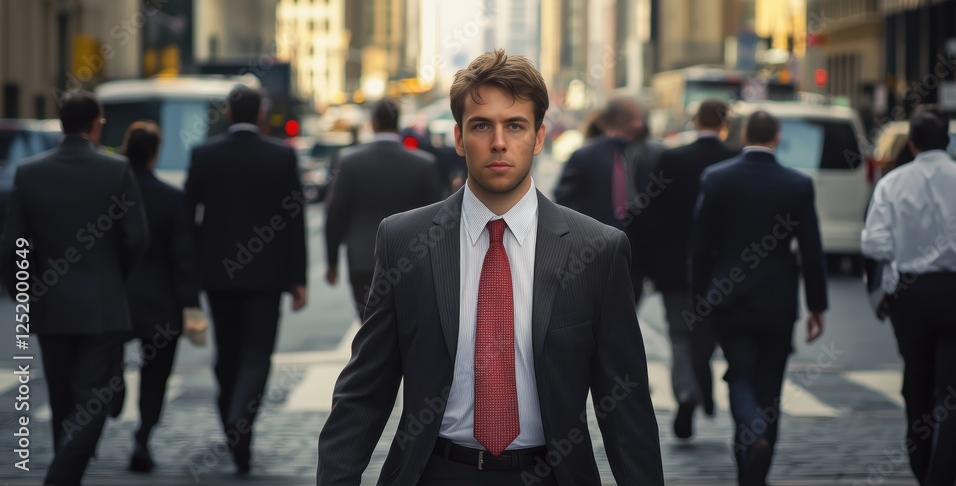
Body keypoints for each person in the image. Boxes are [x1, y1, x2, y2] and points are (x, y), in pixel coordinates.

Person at [317, 49, 662, 485]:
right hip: (436, 473)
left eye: (515, 125)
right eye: (482, 126)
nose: (499, 142)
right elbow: (365, 392)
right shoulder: (404, 240)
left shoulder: (598, 249)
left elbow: (625, 407)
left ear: (538, 138)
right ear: (460, 138)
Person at [0, 91, 150, 486]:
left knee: (64, 398)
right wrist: (115, 276)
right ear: (95, 124)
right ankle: (62, 478)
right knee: (92, 401)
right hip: (102, 304)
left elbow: (13, 243)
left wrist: (23, 291)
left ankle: (65, 473)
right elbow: (137, 237)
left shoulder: (29, 172)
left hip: (50, 303)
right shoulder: (115, 169)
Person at [862, 108, 956, 486]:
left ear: (911, 142)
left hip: (911, 293)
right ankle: (941, 477)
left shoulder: (892, 184)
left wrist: (879, 296)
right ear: (948, 139)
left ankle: (923, 469)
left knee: (917, 387)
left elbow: (874, 244)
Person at [691, 110, 827, 486]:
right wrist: (817, 305)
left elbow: (700, 247)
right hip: (778, 301)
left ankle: (751, 437)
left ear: (745, 133)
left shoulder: (717, 179)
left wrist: (698, 297)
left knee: (740, 377)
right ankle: (758, 466)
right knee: (771, 383)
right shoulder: (797, 183)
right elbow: (812, 251)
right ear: (777, 137)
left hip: (729, 298)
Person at [184, 86, 308, 476]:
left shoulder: (204, 155)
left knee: (227, 357)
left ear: (227, 112)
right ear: (261, 114)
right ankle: (241, 424)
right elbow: (294, 222)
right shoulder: (281, 156)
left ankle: (236, 433)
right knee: (256, 357)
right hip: (267, 277)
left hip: (218, 275)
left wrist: (191, 272)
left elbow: (187, 219)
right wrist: (298, 279)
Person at [118, 120, 200, 472]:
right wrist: (191, 303)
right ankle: (143, 436)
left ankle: (113, 389)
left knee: (106, 357)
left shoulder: (111, 197)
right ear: (154, 154)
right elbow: (184, 257)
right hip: (161, 302)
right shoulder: (172, 198)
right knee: (156, 377)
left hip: (116, 299)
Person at [658, 98, 740, 439]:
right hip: (725, 272)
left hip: (678, 271)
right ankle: (716, 394)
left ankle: (688, 393)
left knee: (681, 337)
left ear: (695, 120)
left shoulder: (672, 158)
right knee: (722, 337)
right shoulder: (734, 160)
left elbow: (652, 216)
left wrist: (653, 266)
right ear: (725, 124)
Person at [324, 98, 442, 319]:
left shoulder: (348, 161)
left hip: (363, 260)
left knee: (370, 328)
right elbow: (438, 218)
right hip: (411, 259)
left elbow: (335, 213)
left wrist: (331, 263)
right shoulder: (424, 164)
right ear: (397, 122)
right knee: (408, 327)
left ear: (373, 122)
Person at [553, 97, 652, 300]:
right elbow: (564, 199)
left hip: (633, 252)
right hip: (592, 250)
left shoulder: (646, 153)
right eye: (636, 118)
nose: (640, 124)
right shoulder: (586, 155)